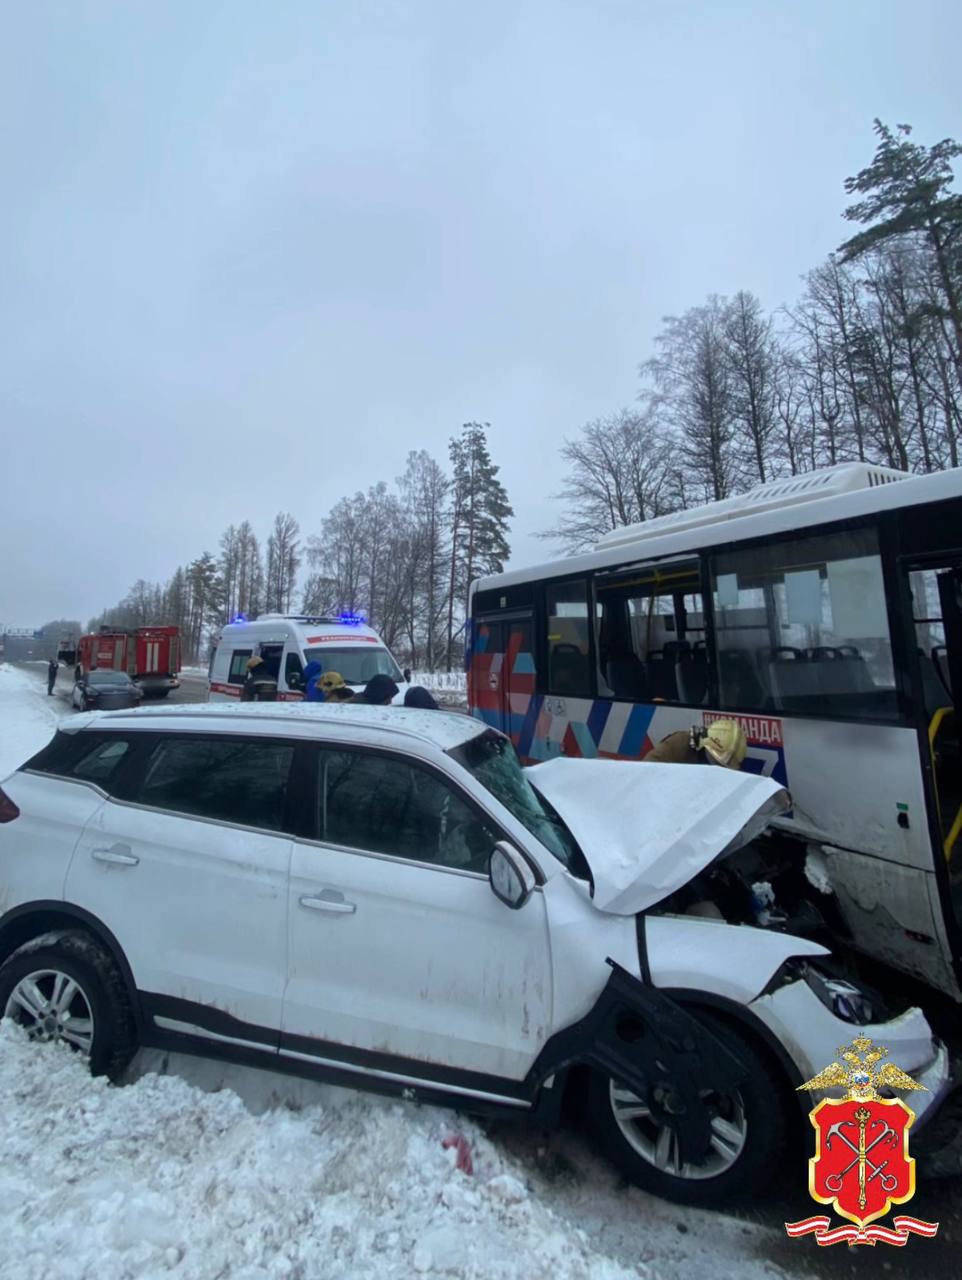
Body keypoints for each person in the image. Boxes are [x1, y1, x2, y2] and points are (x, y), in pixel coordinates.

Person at [643, 719, 747, 769]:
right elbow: (645, 769)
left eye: (723, 766)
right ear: (704, 742)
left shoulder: (729, 769)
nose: (718, 768)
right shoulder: (679, 743)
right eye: (715, 761)